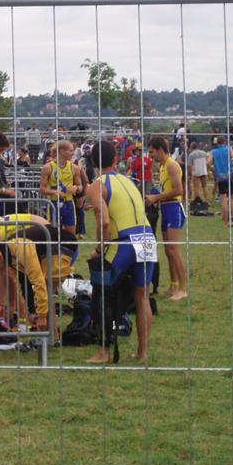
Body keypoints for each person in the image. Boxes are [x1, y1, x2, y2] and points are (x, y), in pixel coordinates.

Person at [86, 140, 155, 363]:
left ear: (93, 162)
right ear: (116, 159)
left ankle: (103, 352)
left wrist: (99, 249)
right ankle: (142, 352)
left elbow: (104, 221)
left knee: (101, 293)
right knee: (142, 296)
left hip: (124, 241)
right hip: (147, 237)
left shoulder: (96, 185)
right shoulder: (128, 180)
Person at [0, 224, 78, 336]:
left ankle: (51, 336)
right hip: (48, 248)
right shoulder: (8, 254)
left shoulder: (20, 249)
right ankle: (50, 335)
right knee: (45, 291)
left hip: (63, 244)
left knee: (46, 288)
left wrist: (42, 316)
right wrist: (30, 312)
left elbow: (38, 281)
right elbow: (22, 284)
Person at [146, 136, 186, 300]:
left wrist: (156, 197)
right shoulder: (162, 167)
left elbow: (179, 190)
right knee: (168, 251)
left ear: (160, 149)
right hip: (165, 208)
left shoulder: (171, 165)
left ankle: (183, 289)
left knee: (174, 251)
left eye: (152, 152)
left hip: (174, 209)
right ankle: (173, 285)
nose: (150, 156)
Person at [39, 140, 82, 236]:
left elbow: (80, 187)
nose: (73, 153)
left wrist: (76, 188)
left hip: (69, 204)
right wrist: (55, 192)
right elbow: (42, 189)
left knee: (71, 237)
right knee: (54, 236)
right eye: (71, 151)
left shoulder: (74, 168)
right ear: (62, 151)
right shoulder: (48, 167)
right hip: (53, 204)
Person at [208, 136, 233, 228]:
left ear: (217, 143)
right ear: (224, 142)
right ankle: (231, 219)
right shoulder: (229, 149)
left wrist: (213, 171)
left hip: (220, 176)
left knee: (223, 198)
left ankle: (225, 222)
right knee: (232, 197)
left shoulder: (213, 151)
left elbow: (208, 163)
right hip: (230, 175)